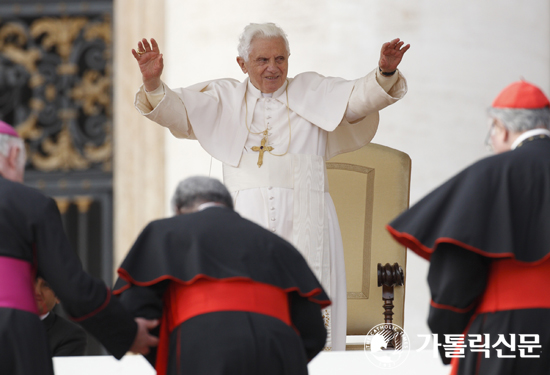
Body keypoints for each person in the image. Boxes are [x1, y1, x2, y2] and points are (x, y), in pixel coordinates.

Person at [132, 22, 409, 350]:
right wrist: (152, 82)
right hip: (245, 221)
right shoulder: (223, 98)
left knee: (309, 307)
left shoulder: (313, 92)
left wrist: (384, 72)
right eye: (262, 60)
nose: (273, 68)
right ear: (242, 64)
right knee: (249, 310)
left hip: (309, 214)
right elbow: (178, 113)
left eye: (280, 59)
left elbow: (356, 101)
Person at [386, 80, 550, 374]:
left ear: (501, 127)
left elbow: (456, 274)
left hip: (505, 331)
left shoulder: (488, 174)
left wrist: (448, 331)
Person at [113, 176, 330, 375]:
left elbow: (139, 308)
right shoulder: (278, 245)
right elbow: (314, 333)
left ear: (179, 209)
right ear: (229, 206)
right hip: (279, 345)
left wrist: (174, 354)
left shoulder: (164, 231)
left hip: (205, 343)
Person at [0, 121, 159, 375]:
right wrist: (127, 333)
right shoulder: (31, 204)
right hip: (13, 331)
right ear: (14, 154)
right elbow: (72, 287)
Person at [35, 277, 87, 356]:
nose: (37, 291)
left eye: (46, 285)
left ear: (58, 296)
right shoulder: (9, 324)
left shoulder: (70, 335)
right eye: (31, 282)